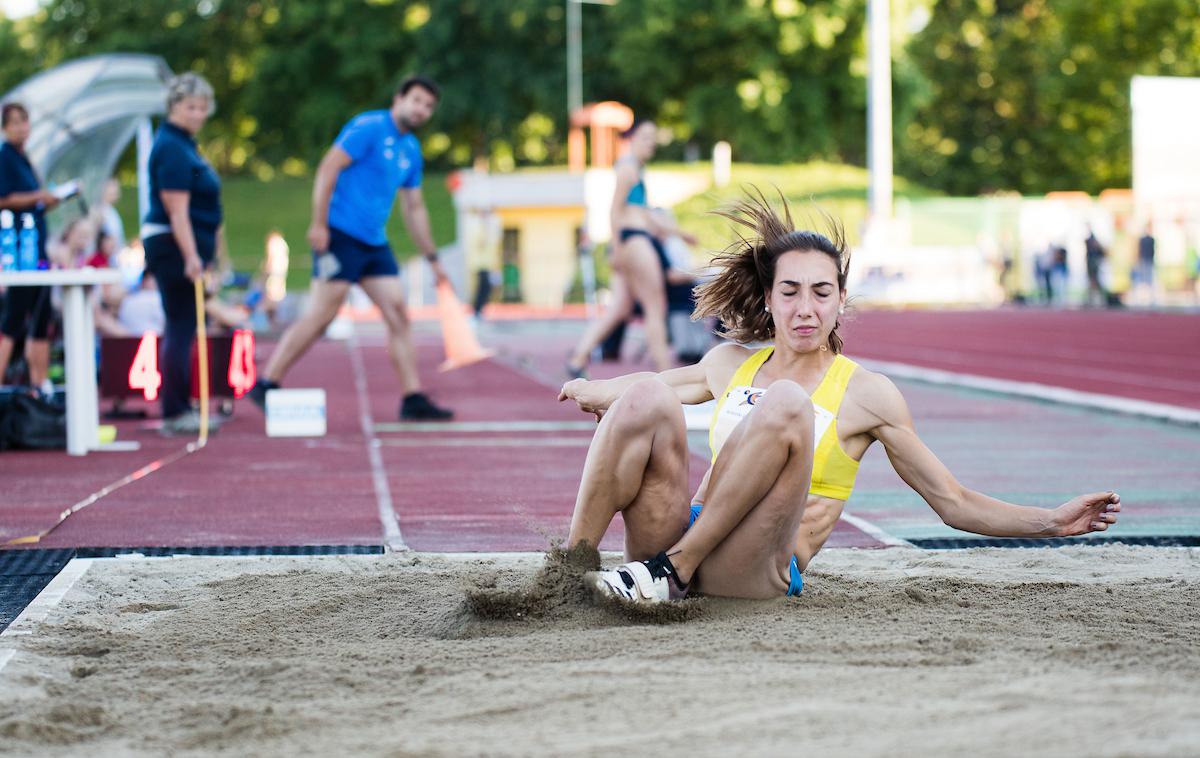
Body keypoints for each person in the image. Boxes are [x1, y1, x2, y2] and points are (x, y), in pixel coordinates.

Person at [558, 192, 1122, 603]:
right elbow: (639, 396)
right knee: (648, 397)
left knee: (785, 404)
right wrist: (592, 388)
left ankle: (672, 572)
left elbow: (951, 500)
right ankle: (566, 576)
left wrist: (1050, 521)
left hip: (751, 566)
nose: (806, 309)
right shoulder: (730, 363)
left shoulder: (868, 394)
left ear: (840, 301)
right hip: (682, 531)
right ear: (770, 299)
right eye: (791, 292)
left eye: (821, 293)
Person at [248, 75, 453, 421]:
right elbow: (328, 168)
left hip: (374, 242)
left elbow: (414, 208)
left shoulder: (410, 150)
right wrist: (318, 223)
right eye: (417, 101)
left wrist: (432, 258)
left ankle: (412, 397)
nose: (422, 110)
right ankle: (267, 382)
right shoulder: (369, 127)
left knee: (398, 313)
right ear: (399, 98)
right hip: (340, 235)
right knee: (322, 315)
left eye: (429, 106)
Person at [566, 120, 692, 378]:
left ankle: (578, 358)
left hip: (632, 240)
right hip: (634, 242)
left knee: (621, 308)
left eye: (653, 138)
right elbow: (615, 210)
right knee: (655, 306)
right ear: (632, 138)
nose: (651, 143)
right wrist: (617, 249)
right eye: (646, 137)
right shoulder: (628, 168)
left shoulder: (635, 169)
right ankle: (665, 373)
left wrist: (678, 233)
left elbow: (644, 213)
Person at [140, 72, 225, 436]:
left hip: (184, 244)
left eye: (203, 107)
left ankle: (181, 406)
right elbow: (176, 210)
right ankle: (175, 410)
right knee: (180, 325)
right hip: (173, 246)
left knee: (183, 325)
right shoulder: (172, 148)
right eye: (190, 107)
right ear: (174, 107)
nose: (198, 114)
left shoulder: (185, 144)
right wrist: (191, 256)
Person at [0, 102, 62, 393]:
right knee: (13, 319)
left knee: (41, 317)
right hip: (19, 252)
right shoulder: (5, 158)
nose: (22, 128)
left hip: (36, 248)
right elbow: (5, 199)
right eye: (14, 122)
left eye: (25, 122)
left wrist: (47, 201)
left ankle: (40, 386)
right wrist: (38, 196)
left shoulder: (25, 159)